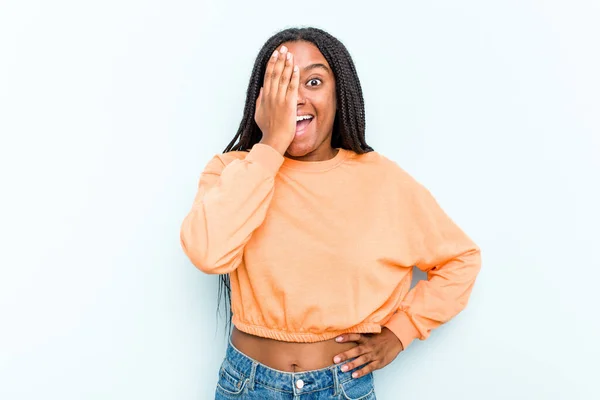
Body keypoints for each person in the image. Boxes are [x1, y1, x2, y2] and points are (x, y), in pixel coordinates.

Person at [180, 27, 481, 400]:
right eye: (283, 84)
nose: (296, 98)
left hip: (340, 388)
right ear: (263, 100)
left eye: (314, 81)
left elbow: (461, 260)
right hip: (246, 386)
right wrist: (271, 143)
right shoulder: (232, 172)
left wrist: (400, 333)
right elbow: (208, 254)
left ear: (339, 94)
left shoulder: (382, 181)